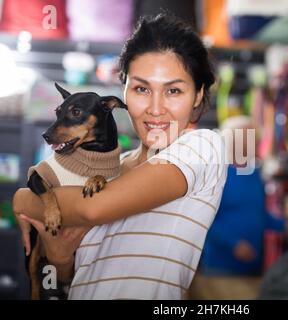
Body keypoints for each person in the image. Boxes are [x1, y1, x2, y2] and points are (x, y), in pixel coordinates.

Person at [12, 14, 227, 300]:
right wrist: (61, 260)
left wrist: (23, 199)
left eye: (173, 90)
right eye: (141, 89)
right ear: (123, 91)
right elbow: (73, 281)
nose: (155, 108)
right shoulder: (107, 168)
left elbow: (93, 209)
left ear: (199, 95)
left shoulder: (203, 147)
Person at [199, 116, 285, 276]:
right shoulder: (215, 174)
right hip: (221, 265)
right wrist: (234, 244)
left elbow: (257, 213)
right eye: (251, 138)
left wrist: (284, 225)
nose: (257, 144)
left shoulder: (254, 173)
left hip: (253, 265)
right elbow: (204, 221)